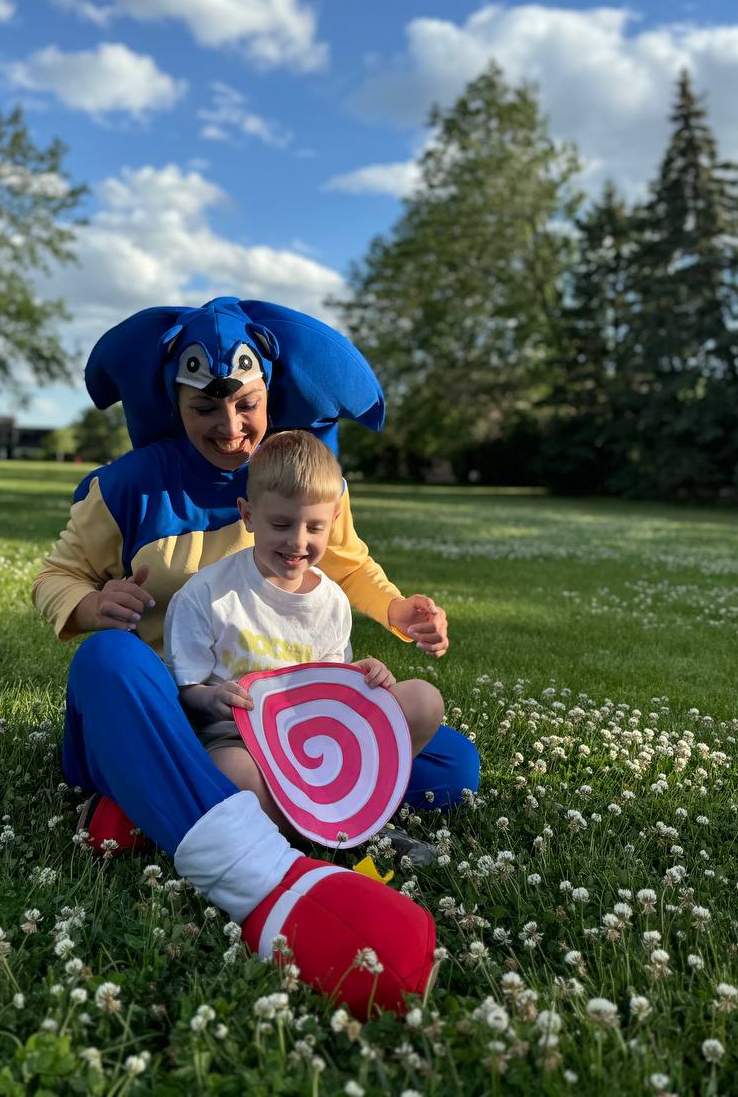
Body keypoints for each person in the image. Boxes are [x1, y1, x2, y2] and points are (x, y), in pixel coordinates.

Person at [32, 296, 480, 1017]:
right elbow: (55, 575)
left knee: (452, 767)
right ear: (173, 399)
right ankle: (266, 870)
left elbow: (347, 562)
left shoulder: (301, 474)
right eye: (205, 409)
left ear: (268, 391)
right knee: (111, 660)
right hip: (178, 706)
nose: (231, 428)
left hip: (282, 721)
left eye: (246, 404)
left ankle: (150, 802)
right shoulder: (126, 485)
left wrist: (397, 610)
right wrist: (89, 605)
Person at [166, 429, 445, 833]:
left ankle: (350, 811)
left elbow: (333, 689)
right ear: (248, 515)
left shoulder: (330, 600)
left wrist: (364, 679)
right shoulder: (207, 595)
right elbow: (186, 690)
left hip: (319, 740)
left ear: (333, 520)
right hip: (242, 741)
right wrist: (211, 699)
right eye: (281, 523)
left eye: (314, 527)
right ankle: (340, 826)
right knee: (231, 774)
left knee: (423, 699)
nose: (298, 542)